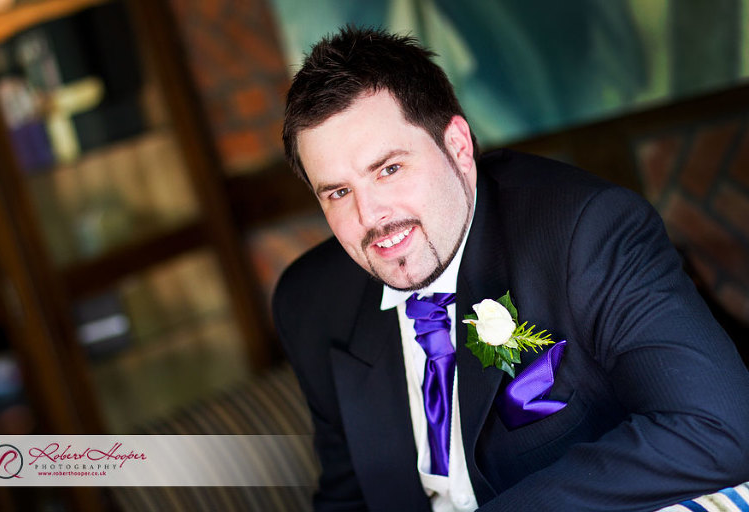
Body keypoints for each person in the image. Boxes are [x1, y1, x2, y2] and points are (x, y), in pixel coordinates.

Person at [272, 26, 749, 512]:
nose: (369, 216)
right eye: (337, 192)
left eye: (389, 169)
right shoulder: (309, 301)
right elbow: (348, 497)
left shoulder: (584, 231)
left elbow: (718, 428)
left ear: (457, 146)